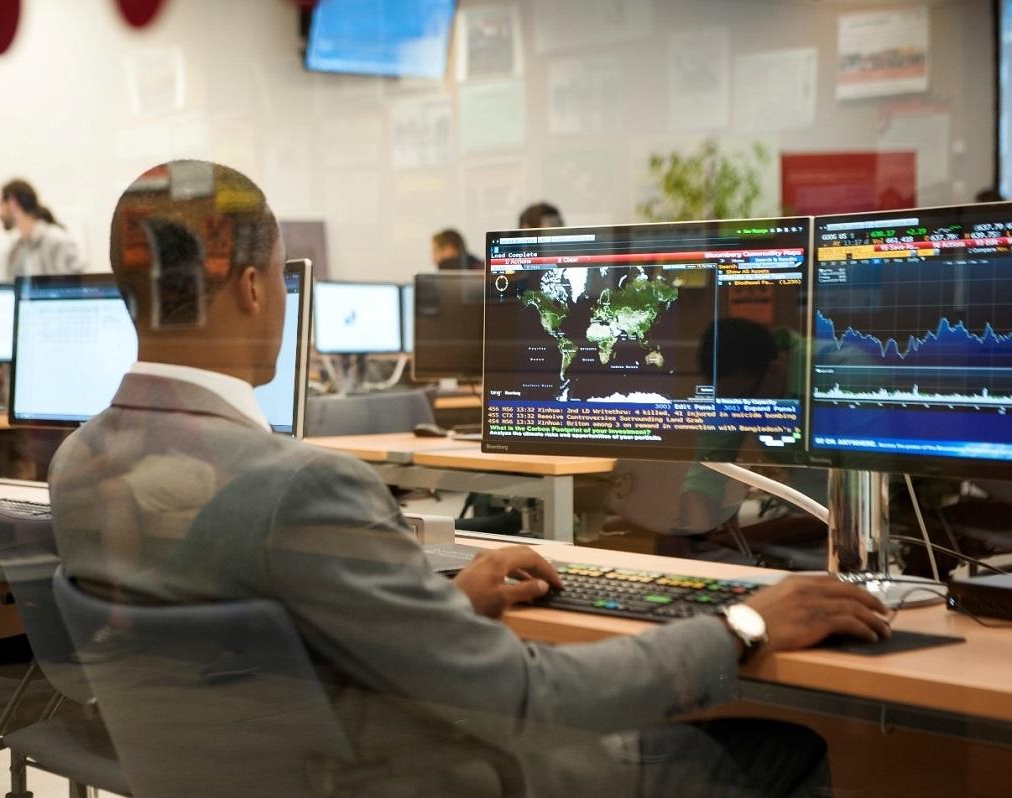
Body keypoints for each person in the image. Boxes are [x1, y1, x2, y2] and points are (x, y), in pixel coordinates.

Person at [50, 160, 892, 797]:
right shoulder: (299, 486)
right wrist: (745, 623)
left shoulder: (81, 461)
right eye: (275, 278)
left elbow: (265, 640)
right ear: (248, 286)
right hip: (422, 775)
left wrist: (442, 609)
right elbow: (526, 697)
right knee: (783, 752)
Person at [0, 179, 84, 280]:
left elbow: (77, 287)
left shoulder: (58, 241)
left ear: (12, 202)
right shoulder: (16, 250)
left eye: (0, 205)